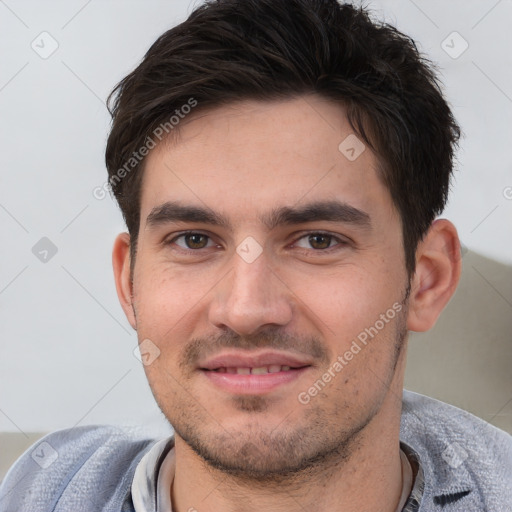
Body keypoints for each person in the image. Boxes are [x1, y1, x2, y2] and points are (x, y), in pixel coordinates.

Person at [1, 0, 511, 510]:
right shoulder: (39, 492)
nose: (245, 310)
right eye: (194, 240)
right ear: (129, 280)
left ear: (427, 280)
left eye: (317, 240)